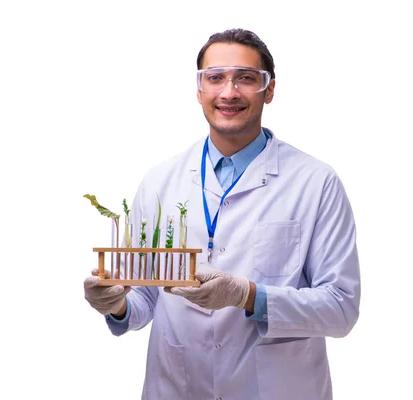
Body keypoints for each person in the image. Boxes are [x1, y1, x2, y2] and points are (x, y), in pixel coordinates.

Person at [84, 28, 361, 400]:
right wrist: (115, 305)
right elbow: (144, 301)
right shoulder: (160, 181)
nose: (229, 92)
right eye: (215, 78)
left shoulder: (316, 182)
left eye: (246, 78)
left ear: (270, 90)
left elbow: (341, 309)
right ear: (200, 91)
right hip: (177, 387)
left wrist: (247, 296)